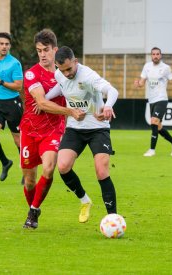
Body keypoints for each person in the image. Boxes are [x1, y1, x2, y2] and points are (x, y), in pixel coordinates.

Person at [46, 46, 119, 223]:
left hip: (98, 127)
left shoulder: (88, 75)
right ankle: (84, 200)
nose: (67, 74)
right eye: (62, 70)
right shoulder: (60, 74)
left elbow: (112, 90)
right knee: (62, 166)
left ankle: (112, 218)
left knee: (101, 170)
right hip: (75, 128)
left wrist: (108, 105)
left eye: (69, 69)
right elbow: (60, 85)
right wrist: (45, 99)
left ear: (75, 62)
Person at [20, 29, 85, 229]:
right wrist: (69, 111)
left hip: (53, 130)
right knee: (29, 181)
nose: (42, 54)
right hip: (30, 130)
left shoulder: (64, 73)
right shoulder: (31, 73)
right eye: (39, 50)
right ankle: (32, 206)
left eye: (46, 50)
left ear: (55, 50)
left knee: (49, 168)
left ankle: (34, 211)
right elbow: (41, 102)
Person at [134, 47, 172, 157]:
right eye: (153, 54)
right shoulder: (146, 67)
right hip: (151, 100)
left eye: (157, 54)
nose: (156, 56)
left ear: (160, 55)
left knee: (153, 121)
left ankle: (152, 150)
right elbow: (142, 83)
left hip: (162, 99)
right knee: (158, 126)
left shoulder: (166, 68)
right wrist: (138, 84)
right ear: (151, 55)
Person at [0, 32, 23, 182]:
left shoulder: (15, 63)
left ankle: (26, 171)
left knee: (18, 141)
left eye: (7, 44)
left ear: (10, 46)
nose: (4, 46)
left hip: (13, 104)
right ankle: (5, 162)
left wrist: (0, 82)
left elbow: (18, 87)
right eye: (2, 44)